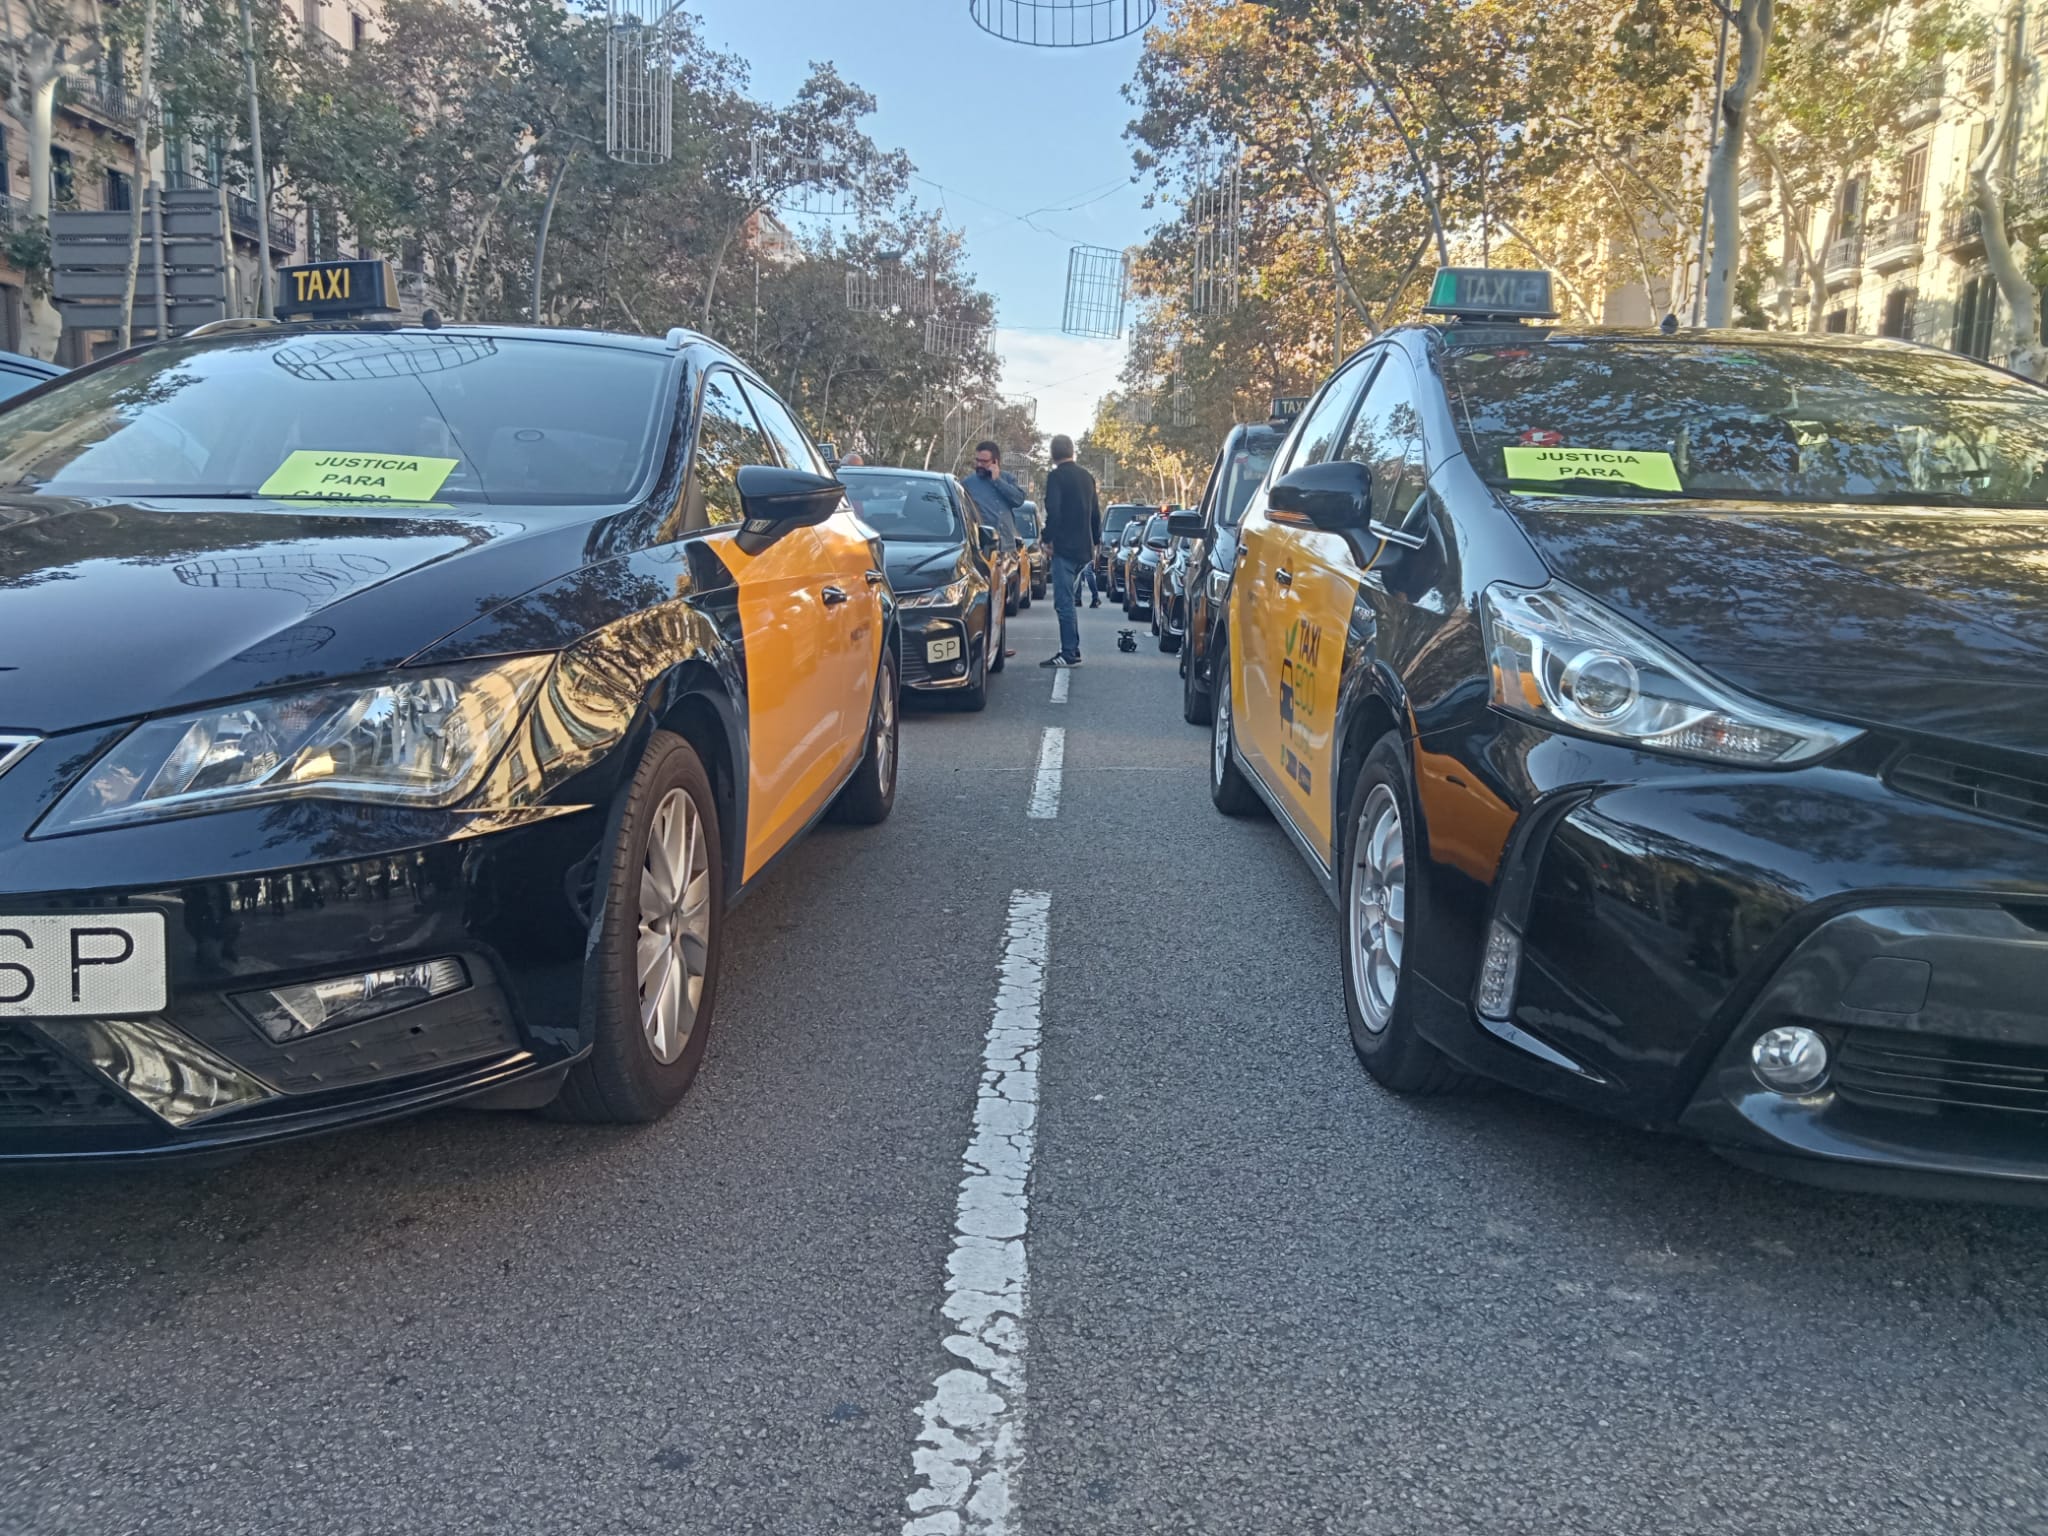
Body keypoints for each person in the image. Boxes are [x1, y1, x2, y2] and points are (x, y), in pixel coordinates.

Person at [1039, 432, 1100, 668]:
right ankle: (1071, 648)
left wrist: (1047, 538)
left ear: (1053, 454)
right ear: (1072, 451)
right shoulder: (1087, 477)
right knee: (1068, 602)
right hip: (1084, 549)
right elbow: (1095, 513)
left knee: (1063, 603)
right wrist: (1095, 542)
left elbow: (1054, 511)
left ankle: (1069, 652)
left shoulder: (1056, 477)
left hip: (1064, 547)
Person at [963, 441, 1026, 657]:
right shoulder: (968, 484)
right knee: (987, 598)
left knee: (1001, 600)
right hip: (982, 550)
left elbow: (1019, 500)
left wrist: (997, 480)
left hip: (1006, 548)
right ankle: (983, 644)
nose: (979, 464)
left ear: (995, 462)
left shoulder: (1007, 480)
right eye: (977, 460)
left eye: (984, 461)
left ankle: (998, 645)